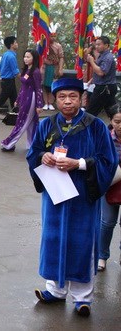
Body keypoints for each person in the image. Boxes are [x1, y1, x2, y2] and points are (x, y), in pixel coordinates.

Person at [28, 78, 117, 317]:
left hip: (82, 196)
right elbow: (33, 152)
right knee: (53, 239)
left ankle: (82, 296)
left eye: (73, 96)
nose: (67, 101)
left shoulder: (95, 126)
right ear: (55, 99)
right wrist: (42, 157)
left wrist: (78, 164)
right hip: (55, 195)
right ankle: (55, 290)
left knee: (81, 243)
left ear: (82, 99)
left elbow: (108, 161)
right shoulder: (47, 125)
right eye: (62, 97)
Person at [1, 49, 43, 152]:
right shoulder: (27, 70)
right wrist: (18, 99)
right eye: (25, 56)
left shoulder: (36, 72)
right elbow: (23, 87)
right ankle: (32, 144)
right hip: (24, 97)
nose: (25, 59)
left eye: (28, 57)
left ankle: (9, 144)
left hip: (30, 99)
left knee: (22, 121)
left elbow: (38, 88)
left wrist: (39, 105)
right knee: (31, 123)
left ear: (34, 59)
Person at [97, 105, 121, 272]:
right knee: (107, 223)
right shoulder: (104, 138)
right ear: (111, 121)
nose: (120, 125)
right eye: (117, 121)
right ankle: (102, 255)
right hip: (110, 186)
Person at [85, 35, 116, 118]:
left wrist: (91, 61)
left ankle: (82, 128)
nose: (96, 46)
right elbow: (98, 70)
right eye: (96, 44)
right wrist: (91, 80)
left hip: (104, 88)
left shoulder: (108, 57)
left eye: (99, 44)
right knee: (113, 112)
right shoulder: (102, 56)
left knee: (90, 111)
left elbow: (101, 72)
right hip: (105, 87)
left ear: (106, 45)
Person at [40, 31, 64, 110]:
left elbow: (61, 57)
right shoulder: (42, 45)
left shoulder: (58, 46)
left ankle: (50, 103)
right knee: (44, 85)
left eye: (54, 36)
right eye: (51, 36)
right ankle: (45, 103)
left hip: (54, 67)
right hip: (44, 68)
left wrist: (60, 69)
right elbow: (39, 56)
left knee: (52, 86)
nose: (53, 38)